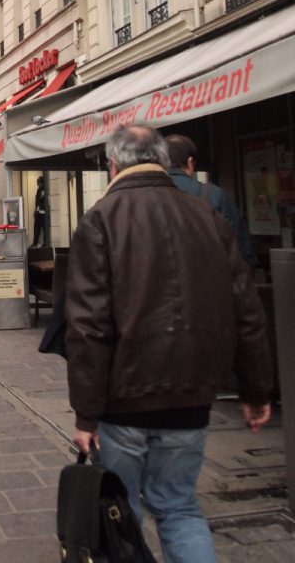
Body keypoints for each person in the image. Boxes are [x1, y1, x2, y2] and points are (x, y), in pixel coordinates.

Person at [66, 125, 272, 563]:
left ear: (113, 164)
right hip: (193, 396)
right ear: (164, 160)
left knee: (122, 513)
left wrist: (85, 413)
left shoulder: (102, 217)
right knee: (179, 507)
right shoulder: (207, 214)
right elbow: (247, 311)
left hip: (125, 400)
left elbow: (87, 325)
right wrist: (255, 391)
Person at [165, 134, 257, 271]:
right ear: (190, 162)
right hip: (210, 282)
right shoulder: (214, 195)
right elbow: (239, 245)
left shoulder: (145, 197)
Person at [32, 175, 48, 247]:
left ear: (42, 183)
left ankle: (45, 243)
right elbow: (37, 201)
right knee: (36, 228)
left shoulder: (46, 189)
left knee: (45, 229)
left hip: (44, 213)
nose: (37, 184)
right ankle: (34, 243)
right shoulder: (38, 190)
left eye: (38, 182)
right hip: (38, 212)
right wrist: (36, 210)